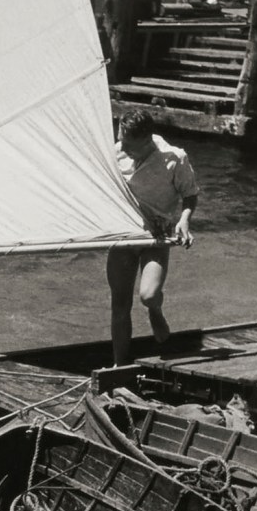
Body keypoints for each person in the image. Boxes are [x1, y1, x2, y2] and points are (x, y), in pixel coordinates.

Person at [107, 110, 198, 366]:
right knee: (119, 305)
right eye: (121, 142)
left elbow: (190, 194)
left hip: (156, 237)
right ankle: (119, 364)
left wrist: (184, 220)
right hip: (124, 235)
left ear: (147, 140)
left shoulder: (174, 158)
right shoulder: (115, 154)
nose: (123, 149)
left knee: (148, 295)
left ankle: (155, 310)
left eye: (129, 146)